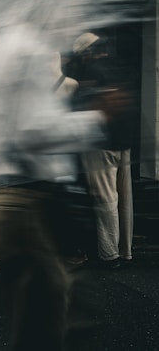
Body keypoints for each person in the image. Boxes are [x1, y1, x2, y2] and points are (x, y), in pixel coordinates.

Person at [0, 23, 119, 350]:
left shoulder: (4, 58)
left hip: (12, 196)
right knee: (49, 310)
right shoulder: (29, 52)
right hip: (28, 198)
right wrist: (95, 118)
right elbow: (34, 131)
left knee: (38, 306)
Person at [71, 32, 138, 269]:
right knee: (125, 199)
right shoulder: (121, 66)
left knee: (106, 199)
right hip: (125, 142)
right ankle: (125, 251)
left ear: (85, 53)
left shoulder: (91, 72)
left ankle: (109, 255)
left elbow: (88, 112)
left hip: (101, 144)